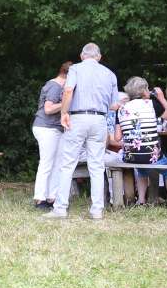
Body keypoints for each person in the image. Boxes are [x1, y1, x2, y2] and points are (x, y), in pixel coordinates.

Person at [47, 42, 119, 220]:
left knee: (68, 164)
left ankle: (61, 208)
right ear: (99, 57)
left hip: (78, 118)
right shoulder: (109, 74)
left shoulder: (76, 69)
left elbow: (69, 89)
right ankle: (97, 210)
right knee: (96, 165)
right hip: (100, 119)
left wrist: (64, 112)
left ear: (81, 56)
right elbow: (114, 104)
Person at [113, 77, 160, 207]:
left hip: (130, 157)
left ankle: (140, 200)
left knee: (140, 163)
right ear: (144, 90)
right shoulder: (151, 104)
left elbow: (117, 137)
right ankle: (163, 199)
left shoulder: (121, 109)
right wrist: (160, 97)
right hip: (151, 157)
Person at [31, 62, 70, 209]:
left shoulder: (60, 86)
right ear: (67, 75)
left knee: (57, 163)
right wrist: (67, 102)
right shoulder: (55, 86)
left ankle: (52, 197)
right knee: (47, 162)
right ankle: (40, 198)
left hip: (56, 129)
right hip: (46, 127)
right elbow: (48, 109)